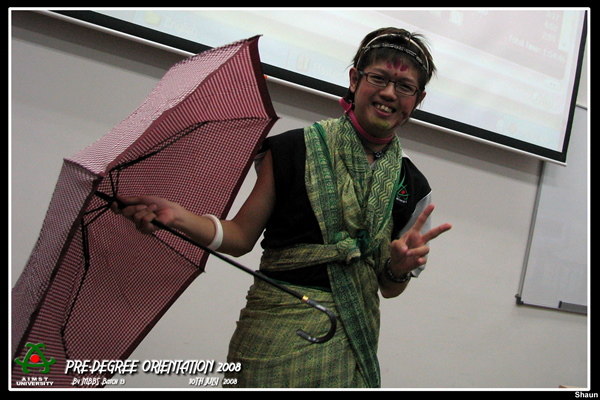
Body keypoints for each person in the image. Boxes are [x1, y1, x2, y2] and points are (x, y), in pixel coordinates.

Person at [112, 27, 452, 388]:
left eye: (404, 86)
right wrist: (178, 217)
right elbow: (240, 236)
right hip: (271, 340)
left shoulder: (412, 187)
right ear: (355, 80)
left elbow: (388, 288)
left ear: (418, 99)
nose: (389, 93)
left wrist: (398, 270)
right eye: (378, 78)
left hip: (351, 345)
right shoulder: (294, 150)